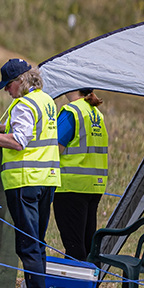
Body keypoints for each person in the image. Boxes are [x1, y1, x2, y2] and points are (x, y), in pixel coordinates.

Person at [0, 58, 60, 288]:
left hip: (24, 181)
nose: (7, 91)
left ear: (20, 81)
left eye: (8, 86)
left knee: (28, 246)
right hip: (46, 179)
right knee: (38, 245)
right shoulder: (45, 100)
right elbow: (27, 132)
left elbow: (18, 141)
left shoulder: (22, 105)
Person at [54, 88, 109, 262]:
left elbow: (55, 148)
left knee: (73, 245)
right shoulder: (95, 113)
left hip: (71, 185)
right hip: (94, 185)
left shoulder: (72, 111)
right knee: (87, 243)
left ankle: (75, 287)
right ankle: (90, 287)